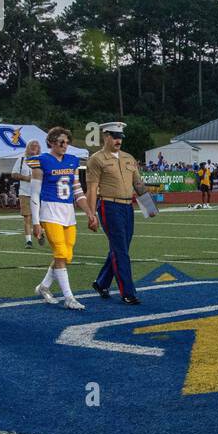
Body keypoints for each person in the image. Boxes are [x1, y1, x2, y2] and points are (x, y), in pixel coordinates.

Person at [31, 127, 97, 310]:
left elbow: (77, 190)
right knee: (60, 253)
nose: (65, 145)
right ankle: (69, 297)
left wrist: (90, 212)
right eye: (61, 142)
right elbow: (34, 194)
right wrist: (35, 222)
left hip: (68, 212)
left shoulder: (72, 161)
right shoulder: (42, 160)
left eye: (67, 142)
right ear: (51, 142)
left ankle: (44, 287)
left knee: (66, 255)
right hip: (50, 211)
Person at [85, 121, 142, 305]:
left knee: (121, 248)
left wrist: (150, 206)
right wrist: (91, 214)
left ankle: (101, 283)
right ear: (106, 137)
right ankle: (128, 292)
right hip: (109, 206)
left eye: (120, 137)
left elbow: (138, 184)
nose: (118, 140)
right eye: (115, 137)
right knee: (121, 251)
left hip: (127, 207)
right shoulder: (96, 159)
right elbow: (92, 188)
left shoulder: (129, 158)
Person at [13, 139, 42, 248]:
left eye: (36, 146)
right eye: (32, 146)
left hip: (39, 193)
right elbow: (14, 174)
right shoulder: (21, 160)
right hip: (25, 192)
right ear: (28, 148)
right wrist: (26, 178)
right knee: (27, 217)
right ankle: (28, 241)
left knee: (40, 217)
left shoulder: (42, 160)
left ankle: (40, 234)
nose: (34, 147)